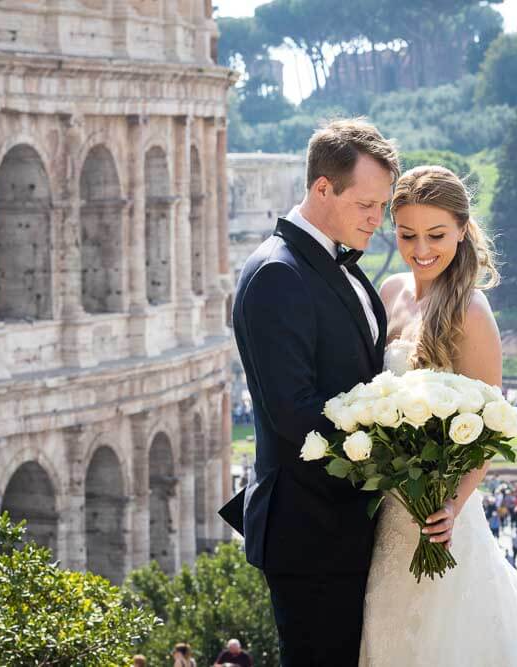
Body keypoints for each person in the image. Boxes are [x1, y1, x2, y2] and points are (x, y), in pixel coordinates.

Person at [358, 165, 517, 665]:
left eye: (436, 235)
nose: (421, 248)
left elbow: (487, 432)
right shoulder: (389, 293)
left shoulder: (471, 311)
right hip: (387, 511)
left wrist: (454, 506)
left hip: (441, 517)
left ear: (463, 230)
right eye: (407, 235)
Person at [219, 119, 403, 665]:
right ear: (323, 188)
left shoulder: (330, 262)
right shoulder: (279, 274)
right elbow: (295, 414)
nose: (378, 219)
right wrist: (396, 464)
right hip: (312, 534)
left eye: (383, 206)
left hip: (349, 527)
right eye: (367, 204)